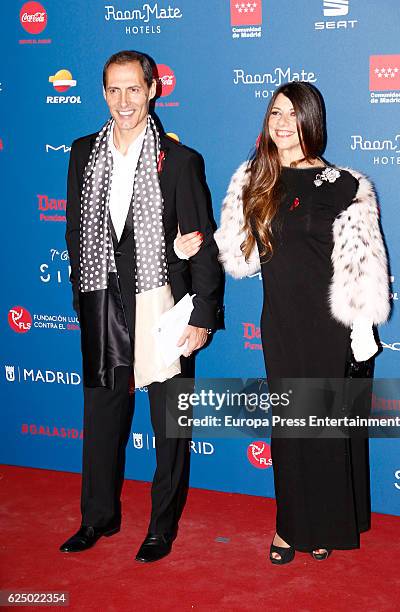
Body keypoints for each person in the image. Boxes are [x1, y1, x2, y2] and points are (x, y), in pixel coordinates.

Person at [213, 82, 390, 563]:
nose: (283, 123)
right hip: (283, 324)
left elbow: (363, 266)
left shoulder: (348, 185)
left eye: (293, 114)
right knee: (291, 427)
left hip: (331, 326)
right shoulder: (253, 178)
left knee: (326, 426)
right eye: (275, 113)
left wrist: (361, 327)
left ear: (312, 121)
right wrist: (211, 241)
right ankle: (289, 526)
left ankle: (324, 526)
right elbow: (240, 260)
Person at [61, 50, 222, 563]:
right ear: (103, 93)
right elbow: (74, 236)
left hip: (164, 306)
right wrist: (82, 300)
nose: (124, 101)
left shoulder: (179, 161)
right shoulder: (83, 152)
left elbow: (203, 245)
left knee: (169, 424)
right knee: (102, 417)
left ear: (153, 90)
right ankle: (97, 518)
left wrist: (201, 318)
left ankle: (160, 526)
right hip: (103, 302)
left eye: (134, 89)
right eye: (114, 90)